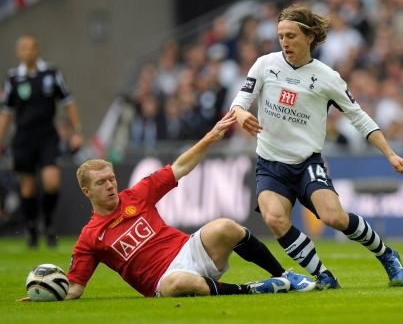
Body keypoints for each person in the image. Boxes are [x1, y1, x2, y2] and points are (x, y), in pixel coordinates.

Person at [230, 3, 403, 289]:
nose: (284, 42)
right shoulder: (265, 65)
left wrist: (390, 153)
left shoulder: (327, 77)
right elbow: (240, 100)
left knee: (334, 217)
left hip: (307, 164)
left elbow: (359, 118)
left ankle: (387, 255)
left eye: (291, 36)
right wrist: (240, 113)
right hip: (270, 164)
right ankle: (324, 276)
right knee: (275, 219)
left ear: (309, 37)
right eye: (281, 36)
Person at [61, 111, 315, 299]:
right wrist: (47, 291)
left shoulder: (136, 195)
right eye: (101, 183)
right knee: (177, 283)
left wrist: (211, 136)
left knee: (225, 226)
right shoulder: (90, 237)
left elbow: (179, 167)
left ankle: (284, 275)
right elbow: (76, 288)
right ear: (86, 191)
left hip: (188, 250)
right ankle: (254, 289)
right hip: (164, 280)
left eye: (111, 179)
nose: (110, 186)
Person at [0, 34, 84, 248]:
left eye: (32, 47)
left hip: (47, 136)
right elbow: (6, 112)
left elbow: (68, 101)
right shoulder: (12, 78)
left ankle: (47, 222)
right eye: (24, 48)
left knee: (51, 182)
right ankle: (30, 228)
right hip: (23, 139)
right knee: (27, 187)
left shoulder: (52, 73)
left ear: (37, 50)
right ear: (19, 52)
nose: (29, 51)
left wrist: (77, 131)